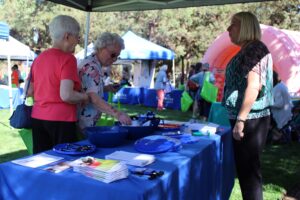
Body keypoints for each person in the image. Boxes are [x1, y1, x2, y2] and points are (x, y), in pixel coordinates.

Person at [222, 12, 273, 200]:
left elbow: (254, 85)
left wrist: (240, 120)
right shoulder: (249, 49)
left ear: (245, 27)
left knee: (249, 175)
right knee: (247, 173)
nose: (228, 29)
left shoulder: (254, 49)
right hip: (248, 119)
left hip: (250, 120)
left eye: (233, 25)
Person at [27, 15, 89, 154]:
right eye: (77, 37)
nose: (77, 42)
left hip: (38, 117)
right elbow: (66, 95)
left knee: (42, 161)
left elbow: (29, 91)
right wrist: (84, 97)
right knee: (64, 163)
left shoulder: (39, 59)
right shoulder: (68, 59)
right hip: (61, 120)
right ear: (67, 36)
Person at [78, 32, 131, 129]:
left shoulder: (92, 63)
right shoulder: (91, 67)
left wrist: (106, 88)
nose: (114, 59)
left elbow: (88, 89)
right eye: (113, 54)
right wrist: (118, 114)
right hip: (83, 125)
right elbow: (94, 99)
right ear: (101, 47)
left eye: (117, 56)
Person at [270, 71, 293, 140]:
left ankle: (278, 135)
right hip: (288, 114)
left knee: (264, 119)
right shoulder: (282, 84)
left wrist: (267, 104)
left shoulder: (277, 88)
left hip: (282, 115)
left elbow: (279, 104)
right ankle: (278, 135)